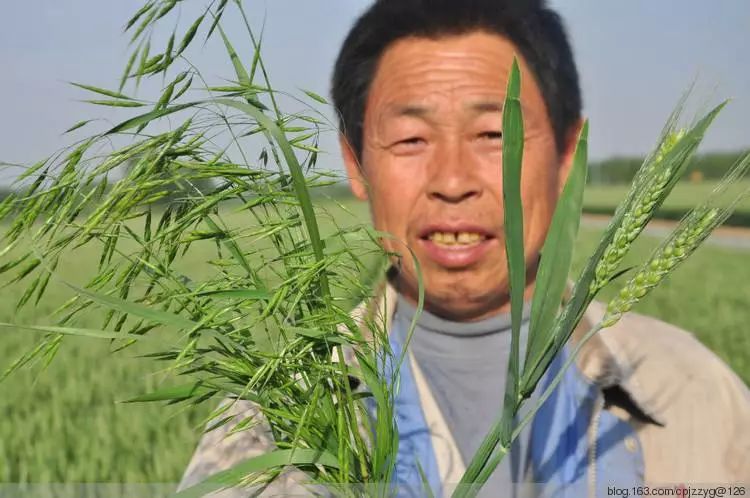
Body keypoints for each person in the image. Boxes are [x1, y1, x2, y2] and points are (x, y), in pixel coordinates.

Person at [178, 1, 750, 496]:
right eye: (410, 139)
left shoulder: (693, 391)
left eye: (495, 135)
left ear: (567, 157)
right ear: (355, 164)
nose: (453, 181)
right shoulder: (276, 421)